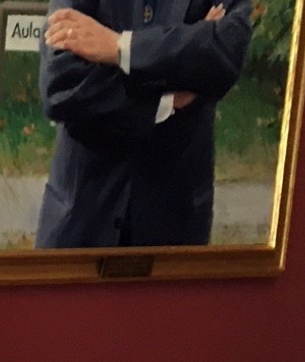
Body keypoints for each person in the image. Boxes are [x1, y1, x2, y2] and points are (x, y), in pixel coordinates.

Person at [36, 0, 252, 248]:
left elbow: (224, 52)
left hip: (173, 226)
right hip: (81, 222)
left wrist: (119, 47)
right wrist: (165, 97)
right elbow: (60, 85)